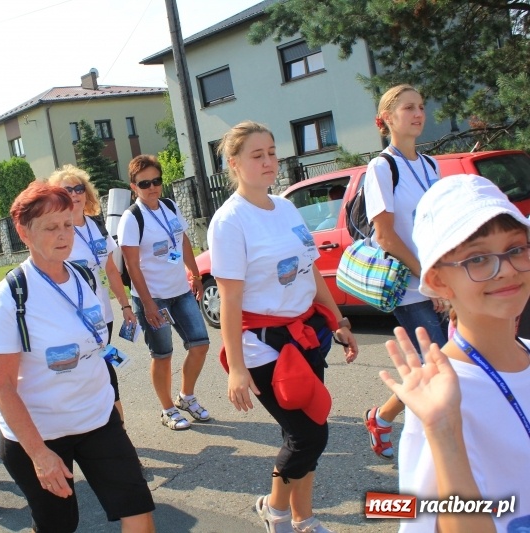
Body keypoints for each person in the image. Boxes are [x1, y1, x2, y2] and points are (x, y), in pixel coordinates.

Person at [208, 121, 358, 533]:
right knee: (308, 435)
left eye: (272, 152)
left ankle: (302, 518)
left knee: (311, 431)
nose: (269, 161)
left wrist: (338, 320)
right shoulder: (229, 221)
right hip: (262, 346)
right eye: (258, 155)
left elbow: (310, 275)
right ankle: (276, 511)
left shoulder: (287, 207)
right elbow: (230, 300)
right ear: (234, 164)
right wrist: (236, 368)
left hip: (305, 336)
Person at [0, 183, 155, 532]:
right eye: (50, 227)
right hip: (40, 434)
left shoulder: (84, 276)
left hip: (97, 420)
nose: (64, 236)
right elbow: (0, 385)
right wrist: (39, 455)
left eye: (67, 225)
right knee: (58, 525)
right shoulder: (11, 296)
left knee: (138, 512)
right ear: (23, 232)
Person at [384, 174, 530, 532]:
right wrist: (442, 431)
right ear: (437, 281)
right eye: (477, 258)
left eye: (517, 248)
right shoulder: (442, 397)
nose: (507, 269)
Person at [363, 84, 448, 460]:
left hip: (442, 284)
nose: (418, 114)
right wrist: (428, 278)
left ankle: (381, 417)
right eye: (408, 108)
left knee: (437, 368)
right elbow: (385, 236)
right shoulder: (382, 167)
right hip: (413, 289)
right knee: (442, 371)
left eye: (422, 107)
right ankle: (438, 455)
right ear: (387, 120)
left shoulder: (431, 165)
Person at [117, 154, 211, 431]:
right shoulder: (131, 218)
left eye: (156, 181)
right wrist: (147, 304)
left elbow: (182, 240)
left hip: (180, 291)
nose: (152, 187)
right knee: (163, 354)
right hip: (152, 297)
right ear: (134, 186)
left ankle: (186, 397)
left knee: (200, 344)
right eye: (144, 183)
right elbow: (132, 265)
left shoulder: (169, 206)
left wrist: (194, 274)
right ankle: (167, 409)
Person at [47, 165, 136, 422]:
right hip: (73, 319)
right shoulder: (57, 231)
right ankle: (97, 428)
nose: (74, 194)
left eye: (79, 188)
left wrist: (125, 306)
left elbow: (111, 269)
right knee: (90, 373)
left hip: (101, 316)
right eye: (67, 189)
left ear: (86, 194)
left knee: (104, 369)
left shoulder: (96, 226)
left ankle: (116, 431)